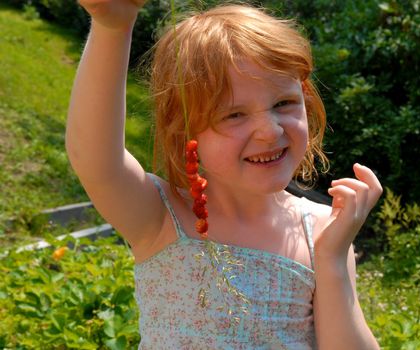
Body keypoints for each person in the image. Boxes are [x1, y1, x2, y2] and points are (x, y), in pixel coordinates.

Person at [66, 1, 382, 349]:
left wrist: (332, 261)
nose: (269, 130)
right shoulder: (161, 215)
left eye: (283, 103)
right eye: (233, 115)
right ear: (185, 128)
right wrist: (114, 28)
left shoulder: (323, 233)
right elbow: (93, 157)